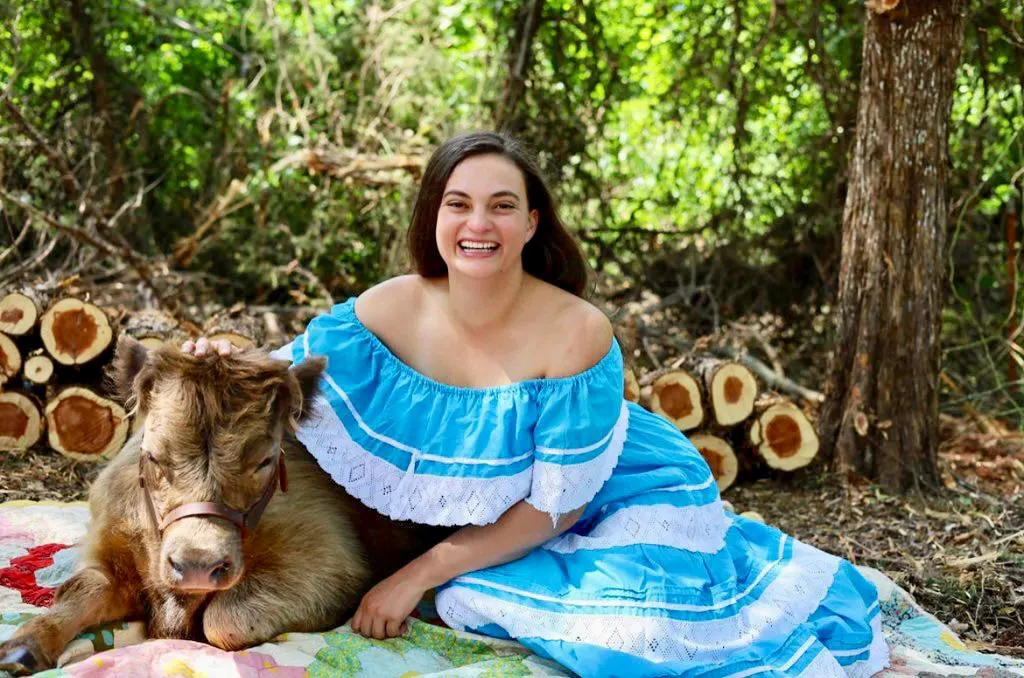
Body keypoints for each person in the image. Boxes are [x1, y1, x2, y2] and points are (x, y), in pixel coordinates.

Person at [185, 131, 888, 677]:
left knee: (612, 632)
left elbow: (559, 507)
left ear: (530, 222)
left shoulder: (575, 331)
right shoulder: (391, 305)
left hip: (609, 494)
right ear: (435, 215)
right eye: (458, 204)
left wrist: (418, 573)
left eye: (501, 205)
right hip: (505, 508)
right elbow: (286, 376)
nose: (476, 224)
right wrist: (221, 361)